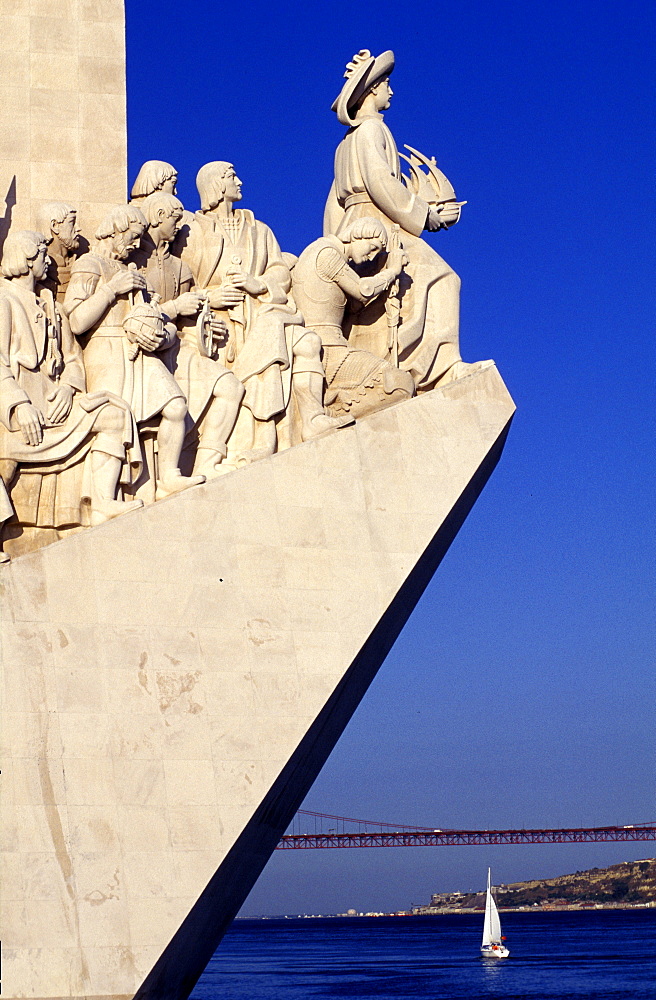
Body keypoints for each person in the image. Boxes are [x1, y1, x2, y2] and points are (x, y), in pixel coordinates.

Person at [324, 49, 488, 390]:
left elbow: (334, 203)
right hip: (375, 221)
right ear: (371, 91)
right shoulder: (371, 130)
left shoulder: (345, 144)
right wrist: (427, 215)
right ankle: (442, 370)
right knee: (442, 277)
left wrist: (334, 242)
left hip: (354, 224)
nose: (391, 91)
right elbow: (381, 183)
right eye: (386, 84)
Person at [181, 161, 350, 465]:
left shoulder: (260, 229)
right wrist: (212, 296)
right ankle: (264, 438)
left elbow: (280, 272)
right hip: (219, 325)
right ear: (217, 185)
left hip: (264, 310)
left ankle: (311, 419)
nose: (240, 182)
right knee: (271, 346)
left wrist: (257, 283)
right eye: (232, 176)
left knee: (306, 342)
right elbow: (182, 287)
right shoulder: (194, 231)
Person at [0, 231, 142, 561]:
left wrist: (68, 386)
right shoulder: (4, 301)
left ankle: (104, 503)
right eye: (40, 255)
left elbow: (74, 358)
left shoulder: (54, 307)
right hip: (21, 409)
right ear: (25, 260)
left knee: (115, 414)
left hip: (57, 404)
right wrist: (18, 406)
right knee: (4, 459)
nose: (48, 260)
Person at [64, 204, 204, 498]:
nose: (138, 244)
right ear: (115, 230)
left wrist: (162, 327)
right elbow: (76, 321)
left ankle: (168, 475)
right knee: (116, 422)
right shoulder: (89, 264)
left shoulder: (131, 269)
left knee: (176, 406)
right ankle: (107, 497)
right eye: (133, 235)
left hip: (139, 352)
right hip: (106, 351)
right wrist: (110, 290)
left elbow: (150, 314)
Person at [134, 192, 245, 478]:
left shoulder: (180, 267)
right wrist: (174, 307)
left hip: (180, 348)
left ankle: (208, 462)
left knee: (230, 387)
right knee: (176, 406)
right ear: (159, 216)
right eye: (174, 219)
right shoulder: (135, 261)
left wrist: (206, 323)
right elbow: (132, 317)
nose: (179, 225)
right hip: (148, 354)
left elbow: (189, 310)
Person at [291, 217, 415, 418]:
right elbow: (362, 290)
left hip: (329, 348)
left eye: (378, 252)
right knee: (401, 384)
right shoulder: (327, 253)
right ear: (359, 234)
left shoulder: (326, 253)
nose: (372, 256)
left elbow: (357, 304)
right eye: (373, 247)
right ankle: (333, 414)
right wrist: (392, 271)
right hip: (327, 351)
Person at [36, 201, 81, 302]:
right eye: (72, 223)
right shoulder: (38, 268)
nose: (78, 229)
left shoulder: (81, 262)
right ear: (55, 226)